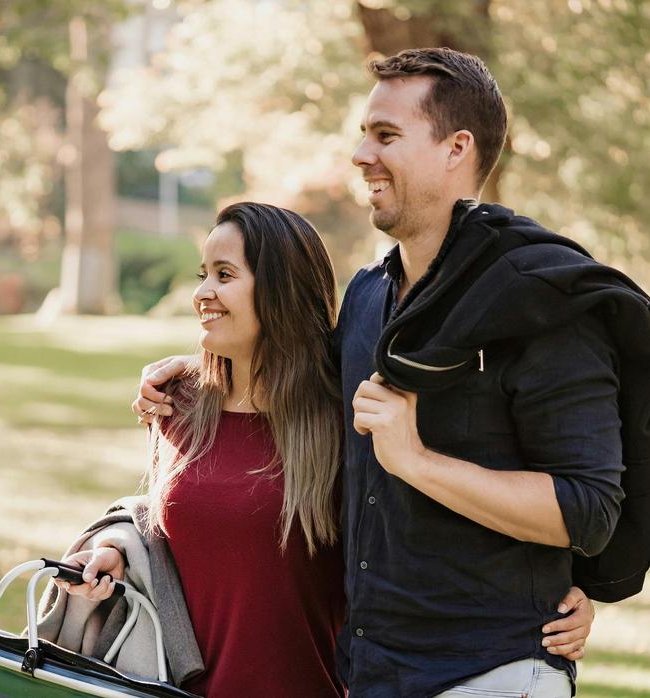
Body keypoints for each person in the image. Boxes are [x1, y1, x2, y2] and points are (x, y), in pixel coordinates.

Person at [134, 48, 650, 697]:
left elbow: (587, 509)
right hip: (375, 675)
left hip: (491, 674)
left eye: (386, 135)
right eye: (364, 134)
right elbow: (291, 382)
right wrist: (194, 373)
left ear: (457, 149)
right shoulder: (367, 299)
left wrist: (415, 458)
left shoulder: (543, 303)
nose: (362, 154)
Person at [60, 202, 594, 698]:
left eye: (225, 275)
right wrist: (119, 552)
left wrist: (562, 594)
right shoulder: (177, 407)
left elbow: (428, 530)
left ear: (280, 292)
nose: (203, 291)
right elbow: (170, 530)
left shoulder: (347, 414)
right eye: (203, 274)